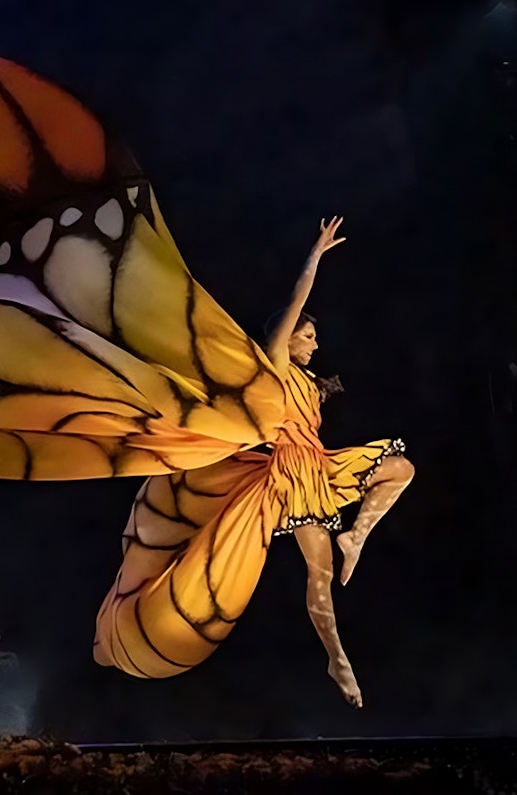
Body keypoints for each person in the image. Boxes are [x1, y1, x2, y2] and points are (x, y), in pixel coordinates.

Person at [95, 217, 416, 708]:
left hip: (321, 464)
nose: (312, 344)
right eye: (306, 337)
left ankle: (356, 535)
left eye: (311, 339)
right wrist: (315, 257)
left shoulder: (309, 382)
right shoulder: (278, 366)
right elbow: (295, 304)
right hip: (291, 474)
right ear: (286, 341)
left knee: (401, 468)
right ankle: (337, 658)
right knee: (321, 573)